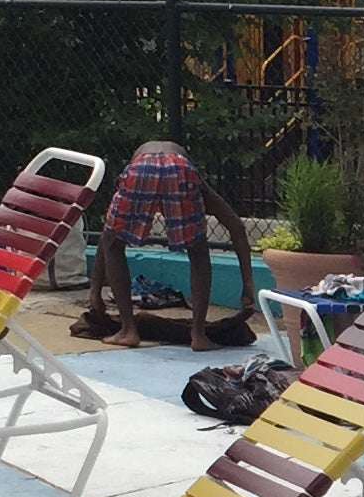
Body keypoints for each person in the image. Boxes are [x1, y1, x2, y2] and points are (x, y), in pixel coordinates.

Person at [78, 138, 257, 349]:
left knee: (113, 242)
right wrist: (247, 286)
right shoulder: (196, 183)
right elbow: (236, 226)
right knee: (198, 252)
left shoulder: (142, 162)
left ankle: (128, 330)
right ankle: (199, 335)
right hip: (180, 168)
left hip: (141, 167)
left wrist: (95, 291)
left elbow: (106, 239)